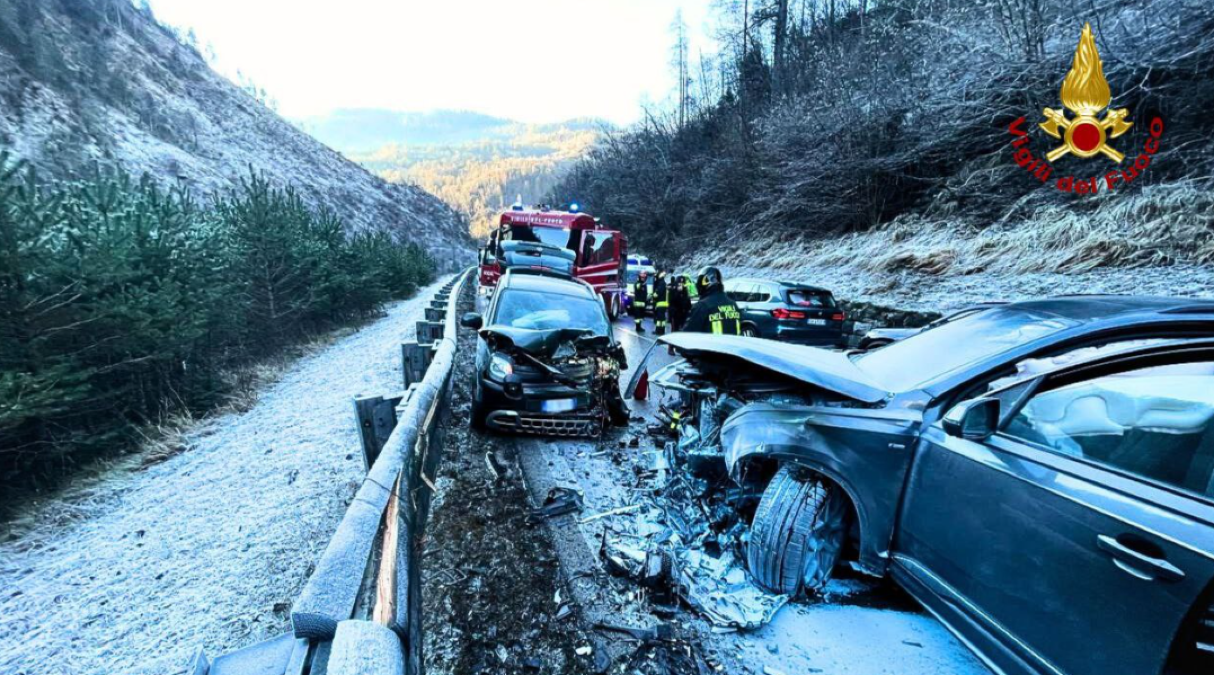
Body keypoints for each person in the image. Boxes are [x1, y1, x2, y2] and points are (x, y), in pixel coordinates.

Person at [682, 266, 741, 335]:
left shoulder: (702, 306)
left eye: (699, 280)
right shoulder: (733, 305)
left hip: (710, 342)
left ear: (706, 282)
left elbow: (688, 334)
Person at [653, 271, 669, 335]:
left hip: (661, 303)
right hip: (663, 303)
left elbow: (658, 293)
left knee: (660, 318)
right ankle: (661, 331)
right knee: (661, 318)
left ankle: (659, 331)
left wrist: (654, 295)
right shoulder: (663, 283)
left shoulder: (661, 283)